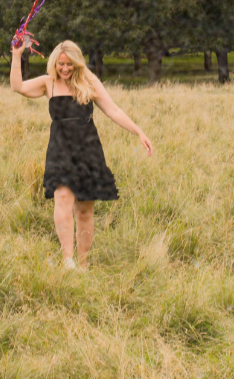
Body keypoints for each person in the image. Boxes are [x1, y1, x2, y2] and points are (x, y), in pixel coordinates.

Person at [11, 40, 152, 270]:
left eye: (69, 65)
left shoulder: (89, 82)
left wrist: (139, 132)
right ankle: (68, 261)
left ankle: (83, 265)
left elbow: (113, 110)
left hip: (88, 149)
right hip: (60, 148)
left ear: (77, 64)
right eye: (61, 64)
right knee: (63, 199)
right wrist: (17, 55)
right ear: (54, 63)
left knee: (85, 209)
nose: (65, 69)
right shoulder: (48, 83)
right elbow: (18, 87)